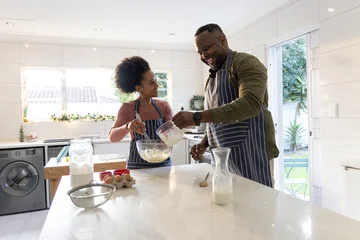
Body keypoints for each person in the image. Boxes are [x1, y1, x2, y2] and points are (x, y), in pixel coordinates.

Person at [172, 24, 279, 187]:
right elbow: (215, 119)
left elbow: (250, 103)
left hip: (252, 152)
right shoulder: (211, 80)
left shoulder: (245, 63)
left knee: (257, 207)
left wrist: (196, 117)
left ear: (222, 40)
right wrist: (203, 143)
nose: (203, 55)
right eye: (199, 52)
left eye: (206, 48)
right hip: (222, 158)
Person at [109, 56, 173, 169]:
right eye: (151, 82)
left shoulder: (164, 106)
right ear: (139, 88)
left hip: (163, 165)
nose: (157, 85)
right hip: (137, 168)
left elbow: (172, 135)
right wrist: (128, 126)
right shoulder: (128, 108)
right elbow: (113, 137)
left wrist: (169, 139)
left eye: (156, 80)